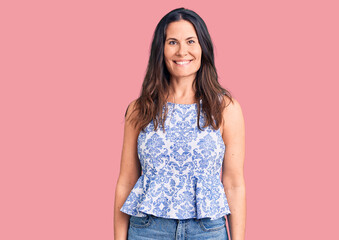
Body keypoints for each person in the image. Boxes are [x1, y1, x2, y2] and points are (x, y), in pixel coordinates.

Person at [114, 7, 246, 240]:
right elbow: (126, 180)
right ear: (161, 50)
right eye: (172, 42)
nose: (182, 51)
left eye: (190, 41)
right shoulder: (140, 108)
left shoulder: (226, 108)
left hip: (208, 230)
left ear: (203, 47)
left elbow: (234, 183)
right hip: (148, 229)